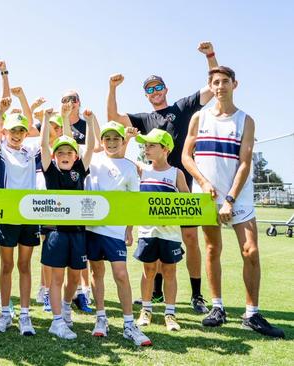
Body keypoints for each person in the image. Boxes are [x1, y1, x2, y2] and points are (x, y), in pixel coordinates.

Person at [106, 42, 219, 313]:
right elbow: (113, 117)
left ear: (165, 89)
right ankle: (155, 295)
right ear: (146, 95)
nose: (155, 92)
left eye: (158, 87)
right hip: (153, 186)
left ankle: (196, 295)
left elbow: (212, 89)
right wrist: (112, 88)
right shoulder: (144, 119)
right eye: (149, 89)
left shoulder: (181, 108)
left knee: (190, 238)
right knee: (155, 238)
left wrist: (210, 57)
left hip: (181, 181)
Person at [182, 66, 284, 338]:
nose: (220, 86)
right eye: (215, 82)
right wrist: (204, 184)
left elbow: (245, 162)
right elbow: (186, 157)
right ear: (210, 85)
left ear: (234, 84)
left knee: (250, 250)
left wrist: (229, 199)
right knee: (212, 249)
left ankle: (252, 314)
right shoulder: (198, 118)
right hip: (206, 197)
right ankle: (217, 308)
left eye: (225, 81)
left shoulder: (245, 120)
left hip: (237, 198)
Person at [86, 121, 151, 346]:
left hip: (116, 231)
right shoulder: (93, 160)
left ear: (122, 142)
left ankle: (128, 324)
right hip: (92, 228)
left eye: (116, 139)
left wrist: (130, 229)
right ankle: (101, 318)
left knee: (121, 274)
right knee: (96, 272)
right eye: (108, 139)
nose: (112, 143)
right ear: (101, 141)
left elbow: (133, 202)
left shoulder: (130, 168)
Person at [39, 105, 95, 339]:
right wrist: (44, 118)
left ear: (75, 156)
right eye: (60, 153)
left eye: (69, 153)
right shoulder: (51, 171)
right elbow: (43, 145)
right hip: (55, 233)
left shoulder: (80, 170)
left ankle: (65, 307)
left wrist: (90, 123)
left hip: (77, 233)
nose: (64, 156)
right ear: (55, 156)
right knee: (57, 277)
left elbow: (90, 146)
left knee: (75, 277)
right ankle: (57, 321)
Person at [0, 103, 40, 336]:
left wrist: (30, 106)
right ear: (4, 133)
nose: (17, 135)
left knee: (25, 266)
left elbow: (43, 135)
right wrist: (0, 112)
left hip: (29, 217)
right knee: (7, 266)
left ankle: (25, 316)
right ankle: (6, 314)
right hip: (7, 216)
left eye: (21, 131)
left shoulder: (31, 150)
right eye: (13, 131)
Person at [132, 128, 188, 331]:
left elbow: (187, 204)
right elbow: (120, 156)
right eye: (145, 145)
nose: (146, 149)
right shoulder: (142, 170)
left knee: (169, 271)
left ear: (165, 149)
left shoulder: (176, 174)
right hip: (147, 231)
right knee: (148, 270)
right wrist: (129, 137)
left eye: (151, 145)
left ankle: (170, 313)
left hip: (170, 233)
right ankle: (145, 310)